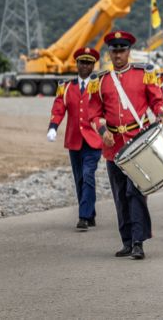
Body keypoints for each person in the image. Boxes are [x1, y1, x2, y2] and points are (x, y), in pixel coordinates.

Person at [87, 31, 163, 260]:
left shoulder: (143, 74)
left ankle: (138, 241)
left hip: (139, 144)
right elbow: (94, 113)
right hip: (114, 147)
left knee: (136, 192)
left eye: (122, 50)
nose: (118, 55)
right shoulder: (100, 80)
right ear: (109, 53)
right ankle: (126, 240)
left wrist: (161, 114)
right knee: (120, 194)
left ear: (128, 52)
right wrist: (103, 132)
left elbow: (157, 101)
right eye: (114, 51)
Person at [47, 47, 103, 231]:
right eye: (82, 62)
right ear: (76, 64)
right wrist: (53, 127)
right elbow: (58, 108)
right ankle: (90, 213)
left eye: (89, 63)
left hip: (94, 139)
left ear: (93, 65)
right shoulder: (66, 86)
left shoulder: (99, 85)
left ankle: (84, 216)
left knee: (88, 175)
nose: (85, 66)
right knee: (79, 178)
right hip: (74, 140)